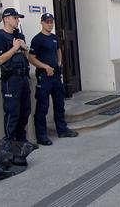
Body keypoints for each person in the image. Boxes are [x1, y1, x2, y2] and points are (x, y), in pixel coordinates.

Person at [28, 13, 79, 146]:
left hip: (56, 76)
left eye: (52, 22)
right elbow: (31, 58)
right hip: (44, 77)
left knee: (59, 104)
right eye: (47, 22)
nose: (50, 24)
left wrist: (59, 63)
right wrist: (46, 67)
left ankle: (62, 130)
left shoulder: (55, 38)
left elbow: (58, 50)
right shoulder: (37, 39)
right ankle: (41, 136)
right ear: (42, 23)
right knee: (43, 106)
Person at [0, 8, 31, 142]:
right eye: (15, 18)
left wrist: (25, 49)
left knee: (25, 111)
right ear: (6, 19)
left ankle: (22, 142)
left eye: (18, 18)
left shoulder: (19, 36)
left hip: (23, 77)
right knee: (12, 113)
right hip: (11, 79)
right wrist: (14, 48)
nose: (18, 20)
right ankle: (10, 144)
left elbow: (26, 56)